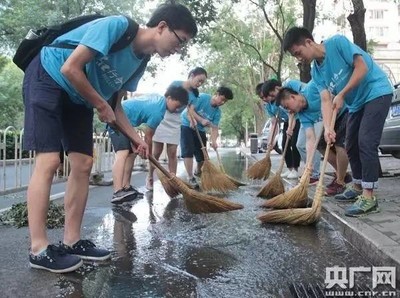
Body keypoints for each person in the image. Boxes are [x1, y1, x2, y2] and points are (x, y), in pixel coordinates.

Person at [23, 3, 197, 273]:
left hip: (79, 96)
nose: (179, 48)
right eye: (180, 40)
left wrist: (136, 138)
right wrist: (100, 105)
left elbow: (115, 107)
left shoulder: (141, 62)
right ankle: (39, 248)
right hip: (48, 75)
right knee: (49, 161)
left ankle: (72, 241)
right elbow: (71, 68)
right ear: (162, 26)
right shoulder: (117, 27)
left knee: (83, 164)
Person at [283, 27, 393, 217]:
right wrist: (327, 128)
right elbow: (326, 99)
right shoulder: (317, 73)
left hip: (377, 91)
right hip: (357, 103)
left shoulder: (337, 43)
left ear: (309, 42)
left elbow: (362, 67)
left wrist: (342, 93)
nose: (299, 58)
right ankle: (357, 186)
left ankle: (369, 196)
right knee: (350, 144)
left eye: (298, 53)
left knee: (365, 141)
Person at [110, 85, 188, 203]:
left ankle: (126, 187)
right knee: (123, 152)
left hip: (127, 122)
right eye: (177, 106)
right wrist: (149, 153)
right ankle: (117, 191)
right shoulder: (159, 112)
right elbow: (148, 136)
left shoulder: (158, 99)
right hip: (117, 117)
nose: (177, 110)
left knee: (131, 154)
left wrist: (141, 147)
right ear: (170, 98)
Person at [274, 82, 352, 195]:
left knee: (339, 144)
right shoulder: (303, 114)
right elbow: (310, 138)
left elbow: (329, 92)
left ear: (292, 97)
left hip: (344, 111)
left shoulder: (312, 88)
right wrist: (308, 164)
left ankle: (340, 181)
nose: (289, 112)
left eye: (287, 107)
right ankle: (343, 174)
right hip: (330, 120)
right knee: (320, 145)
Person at [147, 67, 207, 190]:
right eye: (199, 80)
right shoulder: (176, 84)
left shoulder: (195, 95)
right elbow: (166, 99)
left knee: (173, 152)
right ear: (191, 75)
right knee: (156, 152)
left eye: (202, 82)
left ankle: (173, 181)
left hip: (175, 121)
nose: (199, 84)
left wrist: (192, 120)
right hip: (163, 116)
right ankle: (150, 177)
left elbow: (189, 110)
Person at [180, 87, 234, 186]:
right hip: (186, 124)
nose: (222, 102)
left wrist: (214, 141)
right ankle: (190, 177)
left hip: (200, 130)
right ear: (216, 94)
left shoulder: (217, 112)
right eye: (222, 99)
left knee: (202, 157)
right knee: (188, 151)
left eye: (225, 101)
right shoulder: (203, 97)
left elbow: (214, 128)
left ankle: (197, 171)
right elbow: (190, 110)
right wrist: (201, 120)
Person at [259, 79, 302, 179]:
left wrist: (291, 128)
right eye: (262, 97)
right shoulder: (268, 106)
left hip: (297, 119)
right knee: (284, 145)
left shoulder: (283, 97)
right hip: (287, 121)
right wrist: (270, 141)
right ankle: (290, 168)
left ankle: (296, 169)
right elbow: (274, 123)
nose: (265, 99)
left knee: (294, 144)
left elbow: (292, 113)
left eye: (266, 96)